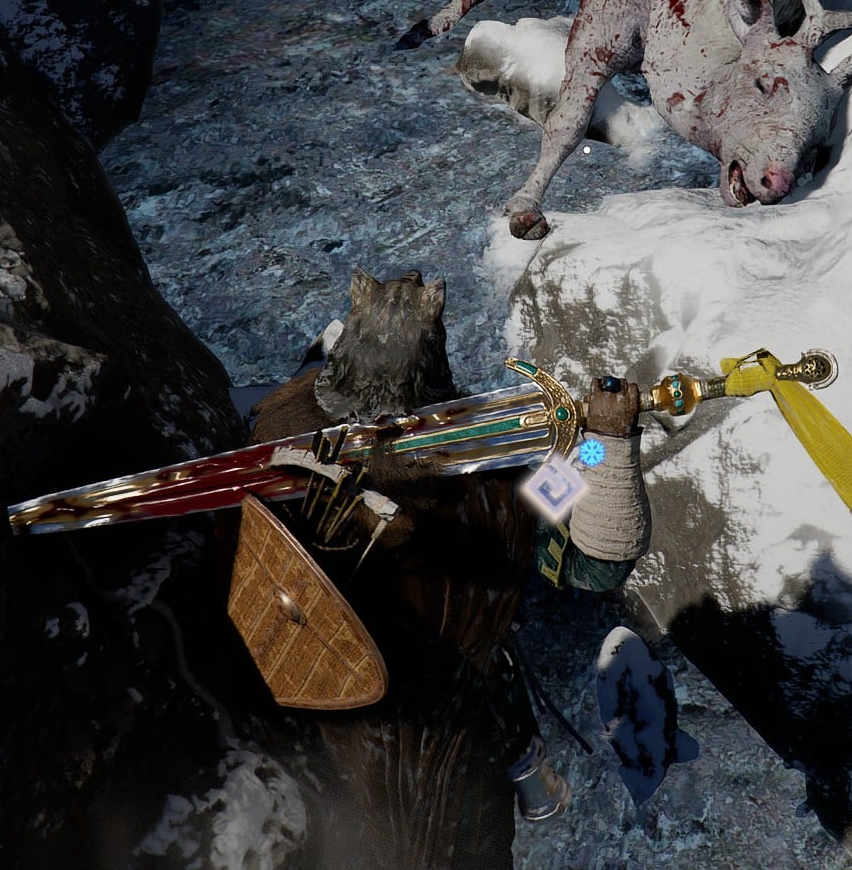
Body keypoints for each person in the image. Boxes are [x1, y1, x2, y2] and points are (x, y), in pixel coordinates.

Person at [242, 270, 647, 870]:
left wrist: (593, 446)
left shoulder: (281, 430)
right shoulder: (491, 489)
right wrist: (601, 444)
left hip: (346, 725)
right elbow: (588, 559)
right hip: (419, 739)